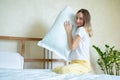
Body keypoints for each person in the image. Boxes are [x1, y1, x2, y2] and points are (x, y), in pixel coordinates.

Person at [53, 8, 93, 75]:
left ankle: (85, 70)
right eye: (76, 18)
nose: (77, 20)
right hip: (74, 63)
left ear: (85, 20)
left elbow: (72, 47)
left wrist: (69, 32)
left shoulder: (81, 30)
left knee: (63, 70)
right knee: (55, 69)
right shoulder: (79, 30)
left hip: (82, 64)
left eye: (80, 18)